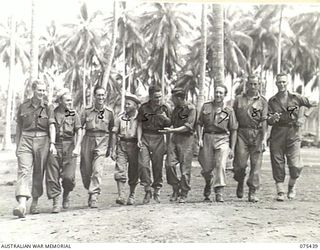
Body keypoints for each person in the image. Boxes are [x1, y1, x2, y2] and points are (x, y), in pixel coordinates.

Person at [267, 73, 314, 201]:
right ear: (276, 83)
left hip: (293, 132)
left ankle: (291, 186)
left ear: (287, 83)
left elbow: (312, 104)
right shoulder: (272, 101)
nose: (281, 84)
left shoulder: (296, 98)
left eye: (284, 82)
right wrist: (272, 119)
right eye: (279, 82)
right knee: (277, 162)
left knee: (295, 165)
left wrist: (304, 117)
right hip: (278, 133)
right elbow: (268, 120)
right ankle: (280, 191)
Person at [13, 80, 55, 218]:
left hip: (43, 141)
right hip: (26, 139)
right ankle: (22, 204)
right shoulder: (24, 105)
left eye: (44, 90)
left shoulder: (48, 107)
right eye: (39, 90)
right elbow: (19, 126)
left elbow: (51, 126)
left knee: (38, 172)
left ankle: (35, 202)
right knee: (23, 171)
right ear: (33, 90)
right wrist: (18, 144)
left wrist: (52, 143)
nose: (42, 93)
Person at [197, 85, 238, 202]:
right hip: (207, 137)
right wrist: (199, 138)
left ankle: (219, 191)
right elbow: (199, 123)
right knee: (206, 167)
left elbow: (234, 129)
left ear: (225, 95)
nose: (218, 95)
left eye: (221, 93)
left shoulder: (229, 110)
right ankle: (208, 182)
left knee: (220, 165)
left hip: (223, 138)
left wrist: (232, 148)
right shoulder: (206, 106)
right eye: (216, 92)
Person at [233, 75, 268, 202]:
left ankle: (252, 191)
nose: (253, 86)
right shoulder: (238, 99)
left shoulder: (263, 101)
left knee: (256, 165)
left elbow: (264, 121)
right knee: (239, 165)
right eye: (250, 84)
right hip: (241, 133)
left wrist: (264, 139)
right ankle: (240, 180)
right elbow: (232, 117)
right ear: (246, 85)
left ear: (259, 85)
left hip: (257, 133)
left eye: (255, 84)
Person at [46, 89, 82, 213]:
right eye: (67, 100)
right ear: (60, 101)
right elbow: (51, 126)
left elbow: (79, 130)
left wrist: (77, 147)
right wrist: (52, 144)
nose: (70, 102)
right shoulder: (53, 112)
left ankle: (66, 194)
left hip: (69, 146)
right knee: (52, 175)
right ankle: (56, 201)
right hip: (56, 145)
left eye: (71, 100)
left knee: (69, 177)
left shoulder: (73, 114)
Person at [159, 87, 197, 203]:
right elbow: (172, 122)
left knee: (185, 168)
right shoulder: (175, 109)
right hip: (175, 138)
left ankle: (184, 193)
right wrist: (165, 119)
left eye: (174, 98)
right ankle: (175, 187)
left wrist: (172, 131)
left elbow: (188, 126)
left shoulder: (191, 109)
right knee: (169, 164)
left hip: (187, 140)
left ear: (180, 98)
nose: (172, 100)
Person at [80, 86, 114, 208]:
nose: (101, 97)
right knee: (86, 170)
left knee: (97, 169)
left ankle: (94, 195)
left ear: (105, 96)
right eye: (98, 95)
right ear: (94, 96)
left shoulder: (109, 112)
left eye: (102, 95)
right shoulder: (86, 111)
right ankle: (89, 188)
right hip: (88, 139)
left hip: (102, 141)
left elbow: (112, 130)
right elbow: (79, 127)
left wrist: (111, 147)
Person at [137, 85, 171, 204]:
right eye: (156, 97)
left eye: (160, 97)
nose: (158, 99)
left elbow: (169, 127)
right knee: (143, 164)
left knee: (157, 165)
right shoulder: (143, 108)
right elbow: (140, 124)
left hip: (159, 138)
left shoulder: (166, 108)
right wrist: (139, 139)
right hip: (145, 137)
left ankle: (157, 190)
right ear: (150, 96)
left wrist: (168, 143)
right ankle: (147, 189)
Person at [111, 93, 140, 205]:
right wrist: (113, 149)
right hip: (122, 145)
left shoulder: (140, 118)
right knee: (120, 170)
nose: (126, 106)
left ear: (135, 106)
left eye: (129, 104)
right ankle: (121, 195)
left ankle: (132, 195)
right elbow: (114, 133)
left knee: (134, 171)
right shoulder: (120, 117)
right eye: (126, 104)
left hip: (135, 146)